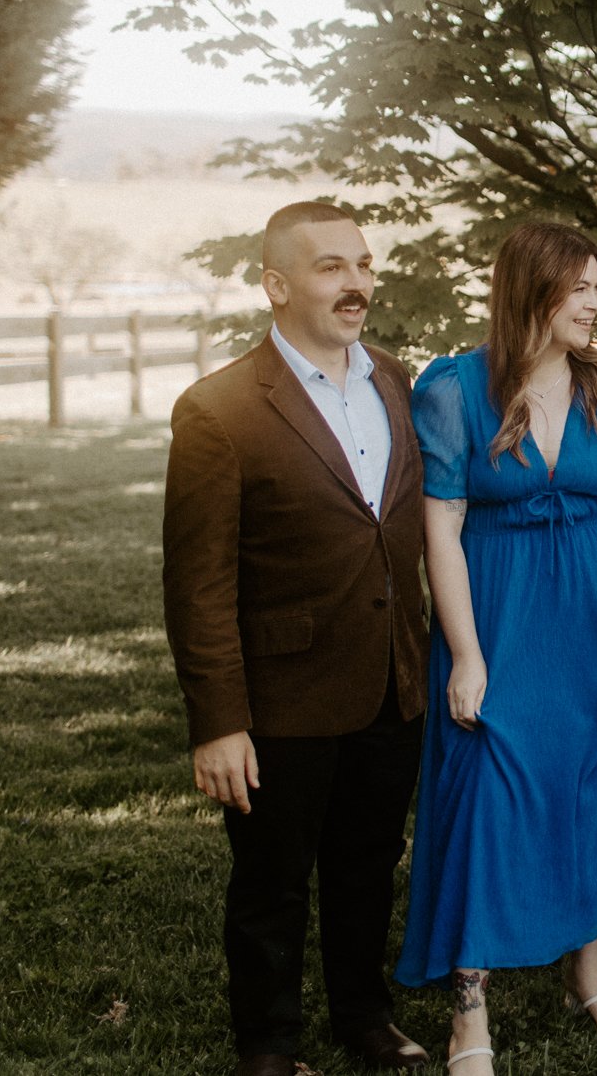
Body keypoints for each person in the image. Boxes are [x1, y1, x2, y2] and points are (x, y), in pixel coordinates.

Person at [399, 221, 597, 1074]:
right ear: (533, 290)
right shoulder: (455, 387)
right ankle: (469, 1005)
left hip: (596, 617)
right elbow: (440, 530)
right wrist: (468, 653)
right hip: (498, 613)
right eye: (581, 288)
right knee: (486, 793)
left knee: (591, 786)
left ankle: (587, 972)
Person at [162, 201, 433, 1076]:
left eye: (361, 263)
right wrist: (218, 720)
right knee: (272, 883)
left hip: (392, 680)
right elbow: (198, 583)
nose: (355, 282)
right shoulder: (219, 410)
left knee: (366, 863)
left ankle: (364, 1016)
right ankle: (269, 1045)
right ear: (276, 285)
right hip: (280, 696)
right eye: (329, 267)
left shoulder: (395, 378)